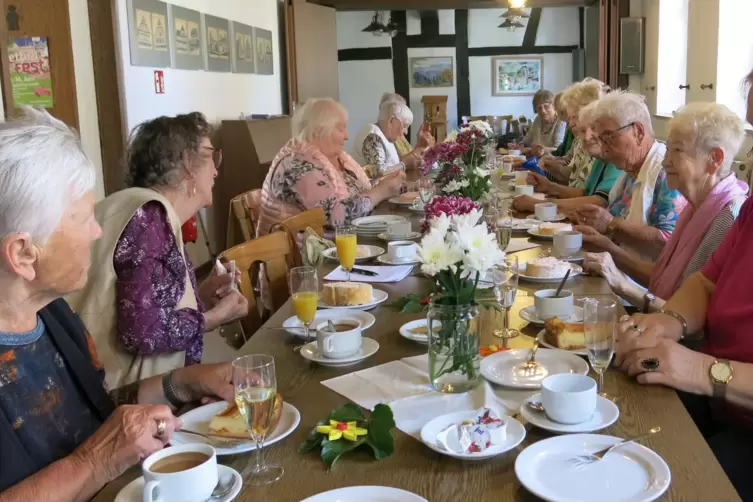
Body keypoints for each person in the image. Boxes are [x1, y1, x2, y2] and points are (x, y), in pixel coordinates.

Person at [0, 108, 236, 497]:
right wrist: (96, 460)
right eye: (81, 219)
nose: (97, 232)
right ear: (23, 253)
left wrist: (184, 384)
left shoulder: (54, 315)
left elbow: (99, 409)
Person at [612, 70, 753, 499]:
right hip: (720, 403)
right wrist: (668, 322)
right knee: (616, 422)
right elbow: (707, 281)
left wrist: (701, 369)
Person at [68, 113, 248, 390]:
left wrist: (199, 296)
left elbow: (143, 304)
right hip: (127, 401)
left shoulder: (137, 210)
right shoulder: (150, 216)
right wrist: (213, 318)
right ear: (189, 163)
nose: (216, 170)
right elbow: (143, 332)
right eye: (212, 155)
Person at [583, 102, 747, 311]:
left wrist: (623, 285)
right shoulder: (695, 207)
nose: (665, 161)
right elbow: (665, 277)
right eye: (667, 149)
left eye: (677, 150)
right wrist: (609, 250)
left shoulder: (730, 218)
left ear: (714, 159)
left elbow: (696, 321)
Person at [257, 98, 404, 236]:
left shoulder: (334, 158)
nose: (347, 136)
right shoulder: (297, 165)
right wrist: (380, 192)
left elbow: (360, 191)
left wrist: (393, 185)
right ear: (318, 131)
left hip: (345, 241)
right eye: (341, 129)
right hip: (308, 254)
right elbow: (337, 217)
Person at [573, 90, 686, 260]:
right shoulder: (629, 172)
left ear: (638, 132)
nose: (603, 149)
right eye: (601, 140)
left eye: (608, 137)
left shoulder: (665, 171)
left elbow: (668, 244)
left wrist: (611, 225)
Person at [513, 101, 621, 213]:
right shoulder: (600, 159)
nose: (587, 137)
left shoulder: (616, 161)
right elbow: (585, 193)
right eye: (582, 131)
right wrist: (550, 186)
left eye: (594, 129)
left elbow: (599, 203)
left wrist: (538, 204)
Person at [350, 96, 417, 179]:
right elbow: (378, 173)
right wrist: (404, 164)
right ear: (391, 121)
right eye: (405, 126)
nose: (406, 132)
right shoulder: (372, 135)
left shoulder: (385, 137)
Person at [379, 93, 434, 172]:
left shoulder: (399, 135)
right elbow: (395, 165)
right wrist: (419, 146)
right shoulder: (383, 135)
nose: (406, 132)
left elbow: (413, 158)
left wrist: (422, 145)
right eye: (400, 109)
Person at [509, 89, 567, 157]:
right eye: (539, 108)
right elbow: (526, 139)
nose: (543, 111)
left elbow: (558, 149)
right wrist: (518, 146)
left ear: (553, 106)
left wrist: (542, 150)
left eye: (546, 106)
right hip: (536, 160)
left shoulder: (561, 121)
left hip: (551, 161)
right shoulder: (538, 119)